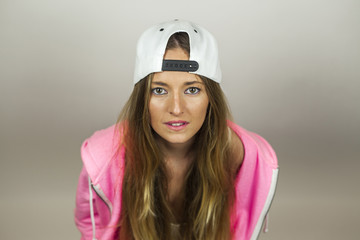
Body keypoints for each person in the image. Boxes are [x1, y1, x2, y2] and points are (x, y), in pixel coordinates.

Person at [74, 19, 279, 240]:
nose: (176, 108)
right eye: (160, 91)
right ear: (143, 99)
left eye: (192, 90)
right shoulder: (105, 161)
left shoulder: (239, 155)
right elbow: (89, 225)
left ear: (211, 97)